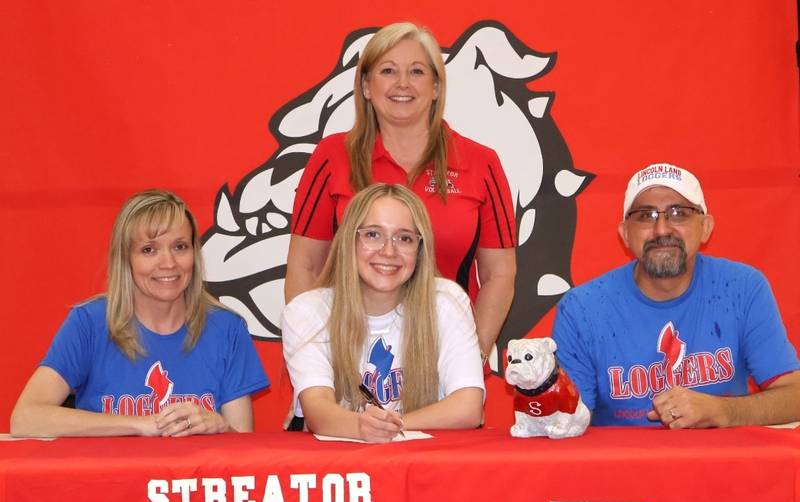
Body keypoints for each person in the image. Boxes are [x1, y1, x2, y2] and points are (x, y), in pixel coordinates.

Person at [286, 22, 516, 363]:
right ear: (366, 85)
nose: (403, 84)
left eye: (417, 71)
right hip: (349, 360)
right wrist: (315, 360)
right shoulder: (332, 157)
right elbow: (304, 265)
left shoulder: (481, 163)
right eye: (388, 71)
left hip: (442, 359)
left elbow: (500, 273)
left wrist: (471, 354)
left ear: (437, 87)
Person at [552, 163, 800, 428]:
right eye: (645, 216)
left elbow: (793, 395)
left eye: (678, 213)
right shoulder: (582, 309)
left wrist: (722, 410)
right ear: (625, 234)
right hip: (621, 467)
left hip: (723, 466)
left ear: (705, 227)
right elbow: (565, 423)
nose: (661, 230)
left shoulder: (743, 288)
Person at [10, 190, 269, 437]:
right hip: (108, 481)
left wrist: (220, 426)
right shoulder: (90, 322)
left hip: (192, 482)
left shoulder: (227, 328)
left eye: (180, 247)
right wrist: (141, 425)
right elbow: (25, 419)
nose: (168, 263)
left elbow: (242, 447)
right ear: (126, 259)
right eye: (149, 250)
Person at [282, 183, 484, 442]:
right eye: (373, 235)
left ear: (420, 250)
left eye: (404, 238)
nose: (389, 251)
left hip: (425, 466)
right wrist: (362, 427)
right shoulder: (308, 311)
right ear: (349, 241)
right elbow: (318, 412)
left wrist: (388, 425)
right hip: (342, 470)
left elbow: (468, 408)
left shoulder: (447, 301)